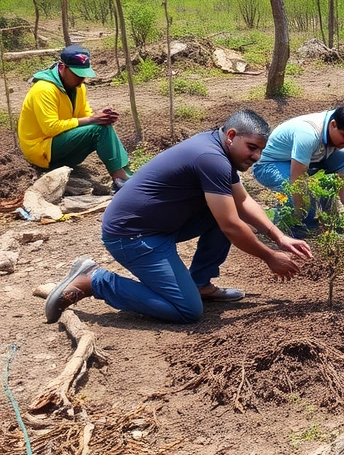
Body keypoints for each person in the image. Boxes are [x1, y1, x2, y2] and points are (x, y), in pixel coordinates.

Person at [43, 110, 313, 325]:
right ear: (231, 135)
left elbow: (242, 201)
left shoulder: (218, 149)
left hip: (158, 225)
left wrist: (279, 236)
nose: (256, 156)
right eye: (252, 147)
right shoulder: (211, 157)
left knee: (224, 210)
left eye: (260, 151)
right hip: (131, 235)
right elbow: (231, 225)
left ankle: (200, 283)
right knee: (186, 310)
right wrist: (269, 256)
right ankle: (95, 281)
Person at [18, 45, 131, 191]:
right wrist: (92, 120)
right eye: (77, 74)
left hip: (60, 148)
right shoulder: (44, 89)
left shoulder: (79, 88)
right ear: (62, 67)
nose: (81, 79)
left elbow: (84, 115)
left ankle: (124, 173)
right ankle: (120, 178)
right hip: (41, 151)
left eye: (83, 74)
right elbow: (50, 127)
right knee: (97, 129)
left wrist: (100, 116)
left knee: (103, 126)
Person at [253, 104, 344, 233]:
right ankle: (281, 228)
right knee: (306, 208)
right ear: (333, 125)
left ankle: (324, 217)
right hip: (270, 164)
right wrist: (303, 214)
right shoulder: (308, 134)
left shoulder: (339, 125)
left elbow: (341, 184)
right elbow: (296, 182)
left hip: (299, 161)